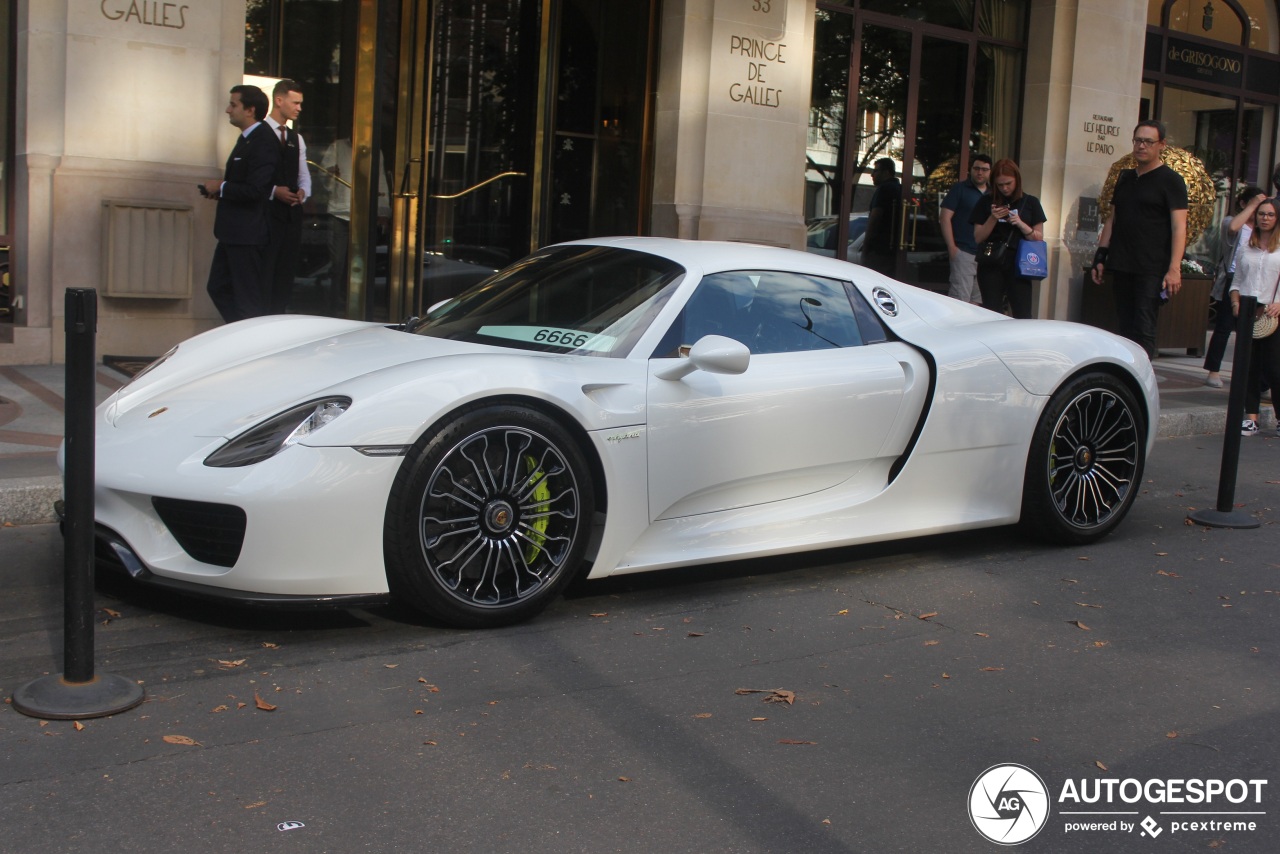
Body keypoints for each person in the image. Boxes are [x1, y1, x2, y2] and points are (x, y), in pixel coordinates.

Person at [1090, 120, 1188, 359]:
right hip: (1122, 261)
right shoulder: (1124, 177)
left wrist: (1174, 268)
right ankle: (1127, 376)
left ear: (1161, 145)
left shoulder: (1171, 181)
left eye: (1148, 141)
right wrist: (1100, 256)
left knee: (1144, 326)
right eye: (1137, 141)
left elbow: (1179, 227)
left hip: (1151, 266)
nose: (1141, 146)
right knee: (1123, 326)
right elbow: (1112, 219)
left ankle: (1143, 378)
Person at [202, 85, 280, 323]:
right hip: (233, 232)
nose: (228, 110)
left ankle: (251, 346)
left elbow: (257, 189)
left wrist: (222, 187)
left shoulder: (263, 140)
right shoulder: (247, 139)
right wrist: (222, 192)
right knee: (218, 288)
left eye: (233, 105)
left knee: (247, 300)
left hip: (248, 234)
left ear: (250, 110)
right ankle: (239, 336)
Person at [1204, 187, 1268, 387]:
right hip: (1234, 280)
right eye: (1256, 208)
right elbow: (1233, 227)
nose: (1259, 213)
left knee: (1256, 331)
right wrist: (1252, 205)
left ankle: (1258, 379)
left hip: (1257, 281)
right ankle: (1213, 371)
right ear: (1244, 203)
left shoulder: (1262, 229)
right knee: (1224, 327)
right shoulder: (1233, 224)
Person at [969, 158, 1046, 318]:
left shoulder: (1030, 202)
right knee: (991, 312)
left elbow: (1038, 238)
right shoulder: (986, 201)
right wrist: (993, 217)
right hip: (992, 261)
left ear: (1017, 180)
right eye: (1000, 185)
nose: (1004, 188)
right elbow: (978, 237)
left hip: (1019, 264)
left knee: (1023, 313)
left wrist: (1020, 223)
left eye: (1008, 183)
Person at [1230, 198, 1280, 436]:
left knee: (1274, 368)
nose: (1265, 218)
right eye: (1262, 214)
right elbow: (1237, 281)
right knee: (1248, 367)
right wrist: (1235, 302)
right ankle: (1251, 417)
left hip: (1273, 313)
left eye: (1270, 214)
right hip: (1248, 311)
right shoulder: (1246, 248)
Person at [262, 79, 312, 314]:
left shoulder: (296, 138)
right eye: (296, 103)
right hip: (264, 216)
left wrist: (303, 191)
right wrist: (274, 191)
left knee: (284, 274)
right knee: (265, 273)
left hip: (290, 216)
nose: (299, 108)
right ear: (279, 100)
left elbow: (304, 173)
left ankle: (278, 315)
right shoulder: (260, 133)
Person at [940, 155, 992, 304]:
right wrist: (952, 247)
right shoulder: (960, 189)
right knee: (960, 299)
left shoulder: (994, 193)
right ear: (971, 169)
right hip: (963, 251)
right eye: (976, 168)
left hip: (985, 255)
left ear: (990, 172)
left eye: (984, 169)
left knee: (977, 301)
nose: (980, 172)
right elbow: (944, 218)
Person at [862, 158, 900, 275]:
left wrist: (866, 244)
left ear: (886, 172)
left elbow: (875, 217)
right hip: (894, 249)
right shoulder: (899, 189)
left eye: (875, 171)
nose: (872, 175)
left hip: (880, 248)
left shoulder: (884, 189)